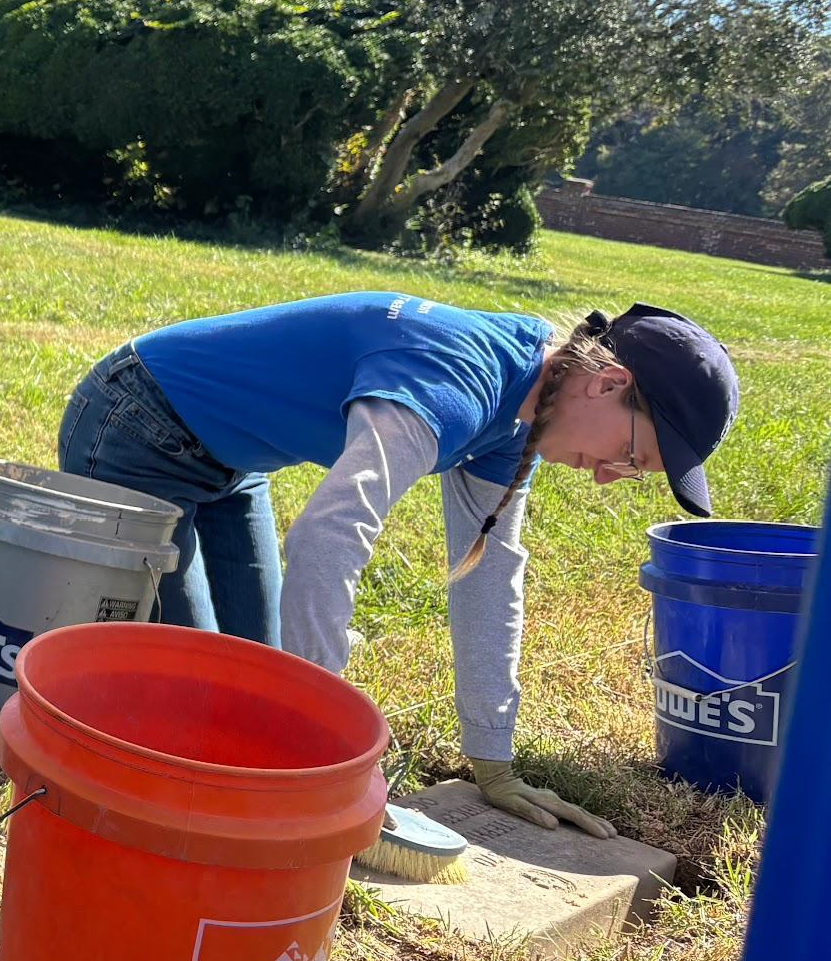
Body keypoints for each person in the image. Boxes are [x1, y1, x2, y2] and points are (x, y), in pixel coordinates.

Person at [59, 292, 739, 837]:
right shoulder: (458, 380)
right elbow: (329, 537)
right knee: (199, 707)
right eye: (632, 456)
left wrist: (492, 758)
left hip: (231, 465)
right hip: (137, 419)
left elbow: (489, 575)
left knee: (257, 694)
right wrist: (327, 754)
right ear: (609, 383)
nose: (608, 478)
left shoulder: (527, 409)